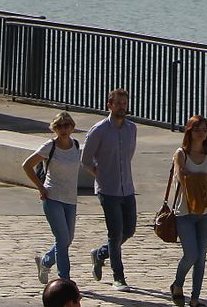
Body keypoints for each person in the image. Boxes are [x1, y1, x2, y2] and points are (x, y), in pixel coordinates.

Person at [169, 114, 207, 307]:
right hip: (185, 212)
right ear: (189, 131)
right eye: (197, 129)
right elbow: (182, 178)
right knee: (191, 254)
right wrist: (203, 180)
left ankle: (195, 298)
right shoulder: (181, 154)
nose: (201, 133)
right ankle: (177, 284)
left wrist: (197, 180)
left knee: (201, 257)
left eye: (204, 129)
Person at [82, 88, 138, 289]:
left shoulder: (132, 128)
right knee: (115, 233)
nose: (122, 107)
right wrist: (100, 175)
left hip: (128, 188)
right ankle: (118, 277)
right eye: (118, 103)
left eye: (125, 103)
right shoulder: (99, 130)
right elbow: (86, 160)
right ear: (109, 105)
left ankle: (100, 253)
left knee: (129, 230)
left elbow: (128, 156)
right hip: (108, 190)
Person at [25, 111, 84, 285]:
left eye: (66, 125)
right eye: (59, 126)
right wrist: (41, 187)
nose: (63, 129)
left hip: (71, 199)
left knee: (68, 239)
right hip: (52, 198)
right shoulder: (49, 146)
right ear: (54, 128)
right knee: (62, 239)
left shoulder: (76, 145)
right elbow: (27, 165)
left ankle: (45, 261)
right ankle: (64, 279)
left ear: (72, 127)